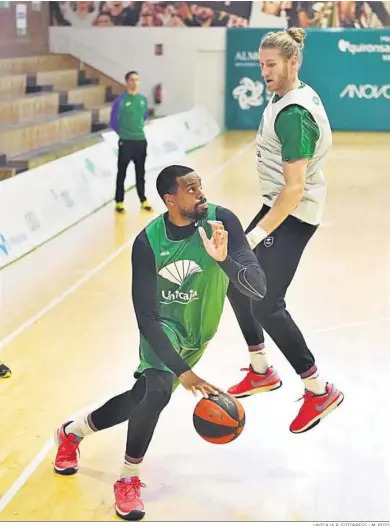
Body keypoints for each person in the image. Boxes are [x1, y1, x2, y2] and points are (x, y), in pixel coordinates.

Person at [53, 165, 267, 521]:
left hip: (198, 333)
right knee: (156, 392)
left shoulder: (221, 222)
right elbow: (147, 318)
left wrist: (223, 260)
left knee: (138, 399)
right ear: (171, 199)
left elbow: (257, 286)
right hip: (162, 329)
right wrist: (184, 373)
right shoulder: (148, 242)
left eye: (201, 186)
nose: (202, 194)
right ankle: (128, 480)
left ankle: (72, 432)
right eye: (192, 189)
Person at [226, 28, 344, 434]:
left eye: (271, 65)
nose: (264, 72)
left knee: (266, 303)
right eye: (261, 65)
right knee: (235, 281)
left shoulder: (294, 115)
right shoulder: (285, 97)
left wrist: (257, 235)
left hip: (292, 212)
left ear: (294, 63)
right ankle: (260, 370)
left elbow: (294, 190)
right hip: (277, 205)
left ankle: (318, 388)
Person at [110, 70, 153, 214]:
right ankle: (119, 201)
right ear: (126, 82)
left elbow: (145, 116)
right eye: (132, 80)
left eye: (137, 80)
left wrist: (137, 129)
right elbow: (113, 121)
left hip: (140, 140)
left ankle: (143, 199)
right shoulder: (120, 101)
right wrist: (124, 134)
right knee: (122, 172)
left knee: (140, 172)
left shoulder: (142, 99)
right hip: (126, 142)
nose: (135, 82)